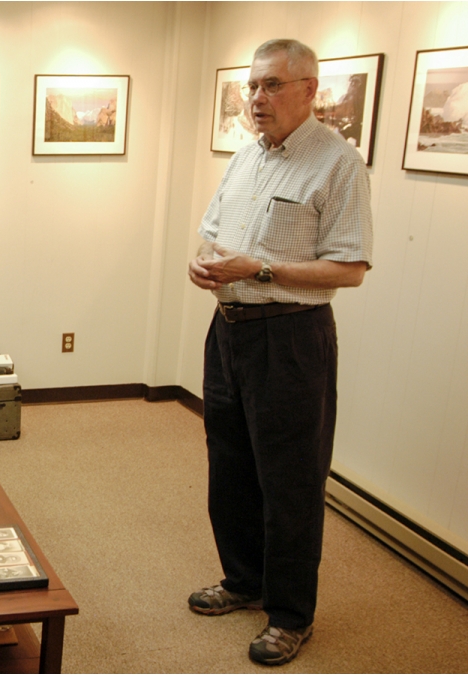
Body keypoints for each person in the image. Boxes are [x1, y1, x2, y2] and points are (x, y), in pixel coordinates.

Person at [186, 39, 373, 666]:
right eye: (253, 86)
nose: (258, 99)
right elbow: (214, 233)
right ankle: (244, 581)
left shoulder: (337, 163)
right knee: (230, 467)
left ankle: (292, 615)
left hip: (292, 341)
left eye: (271, 86)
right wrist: (203, 262)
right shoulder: (246, 157)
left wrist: (259, 269)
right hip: (229, 332)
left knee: (290, 482)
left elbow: (349, 269)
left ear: (309, 89)